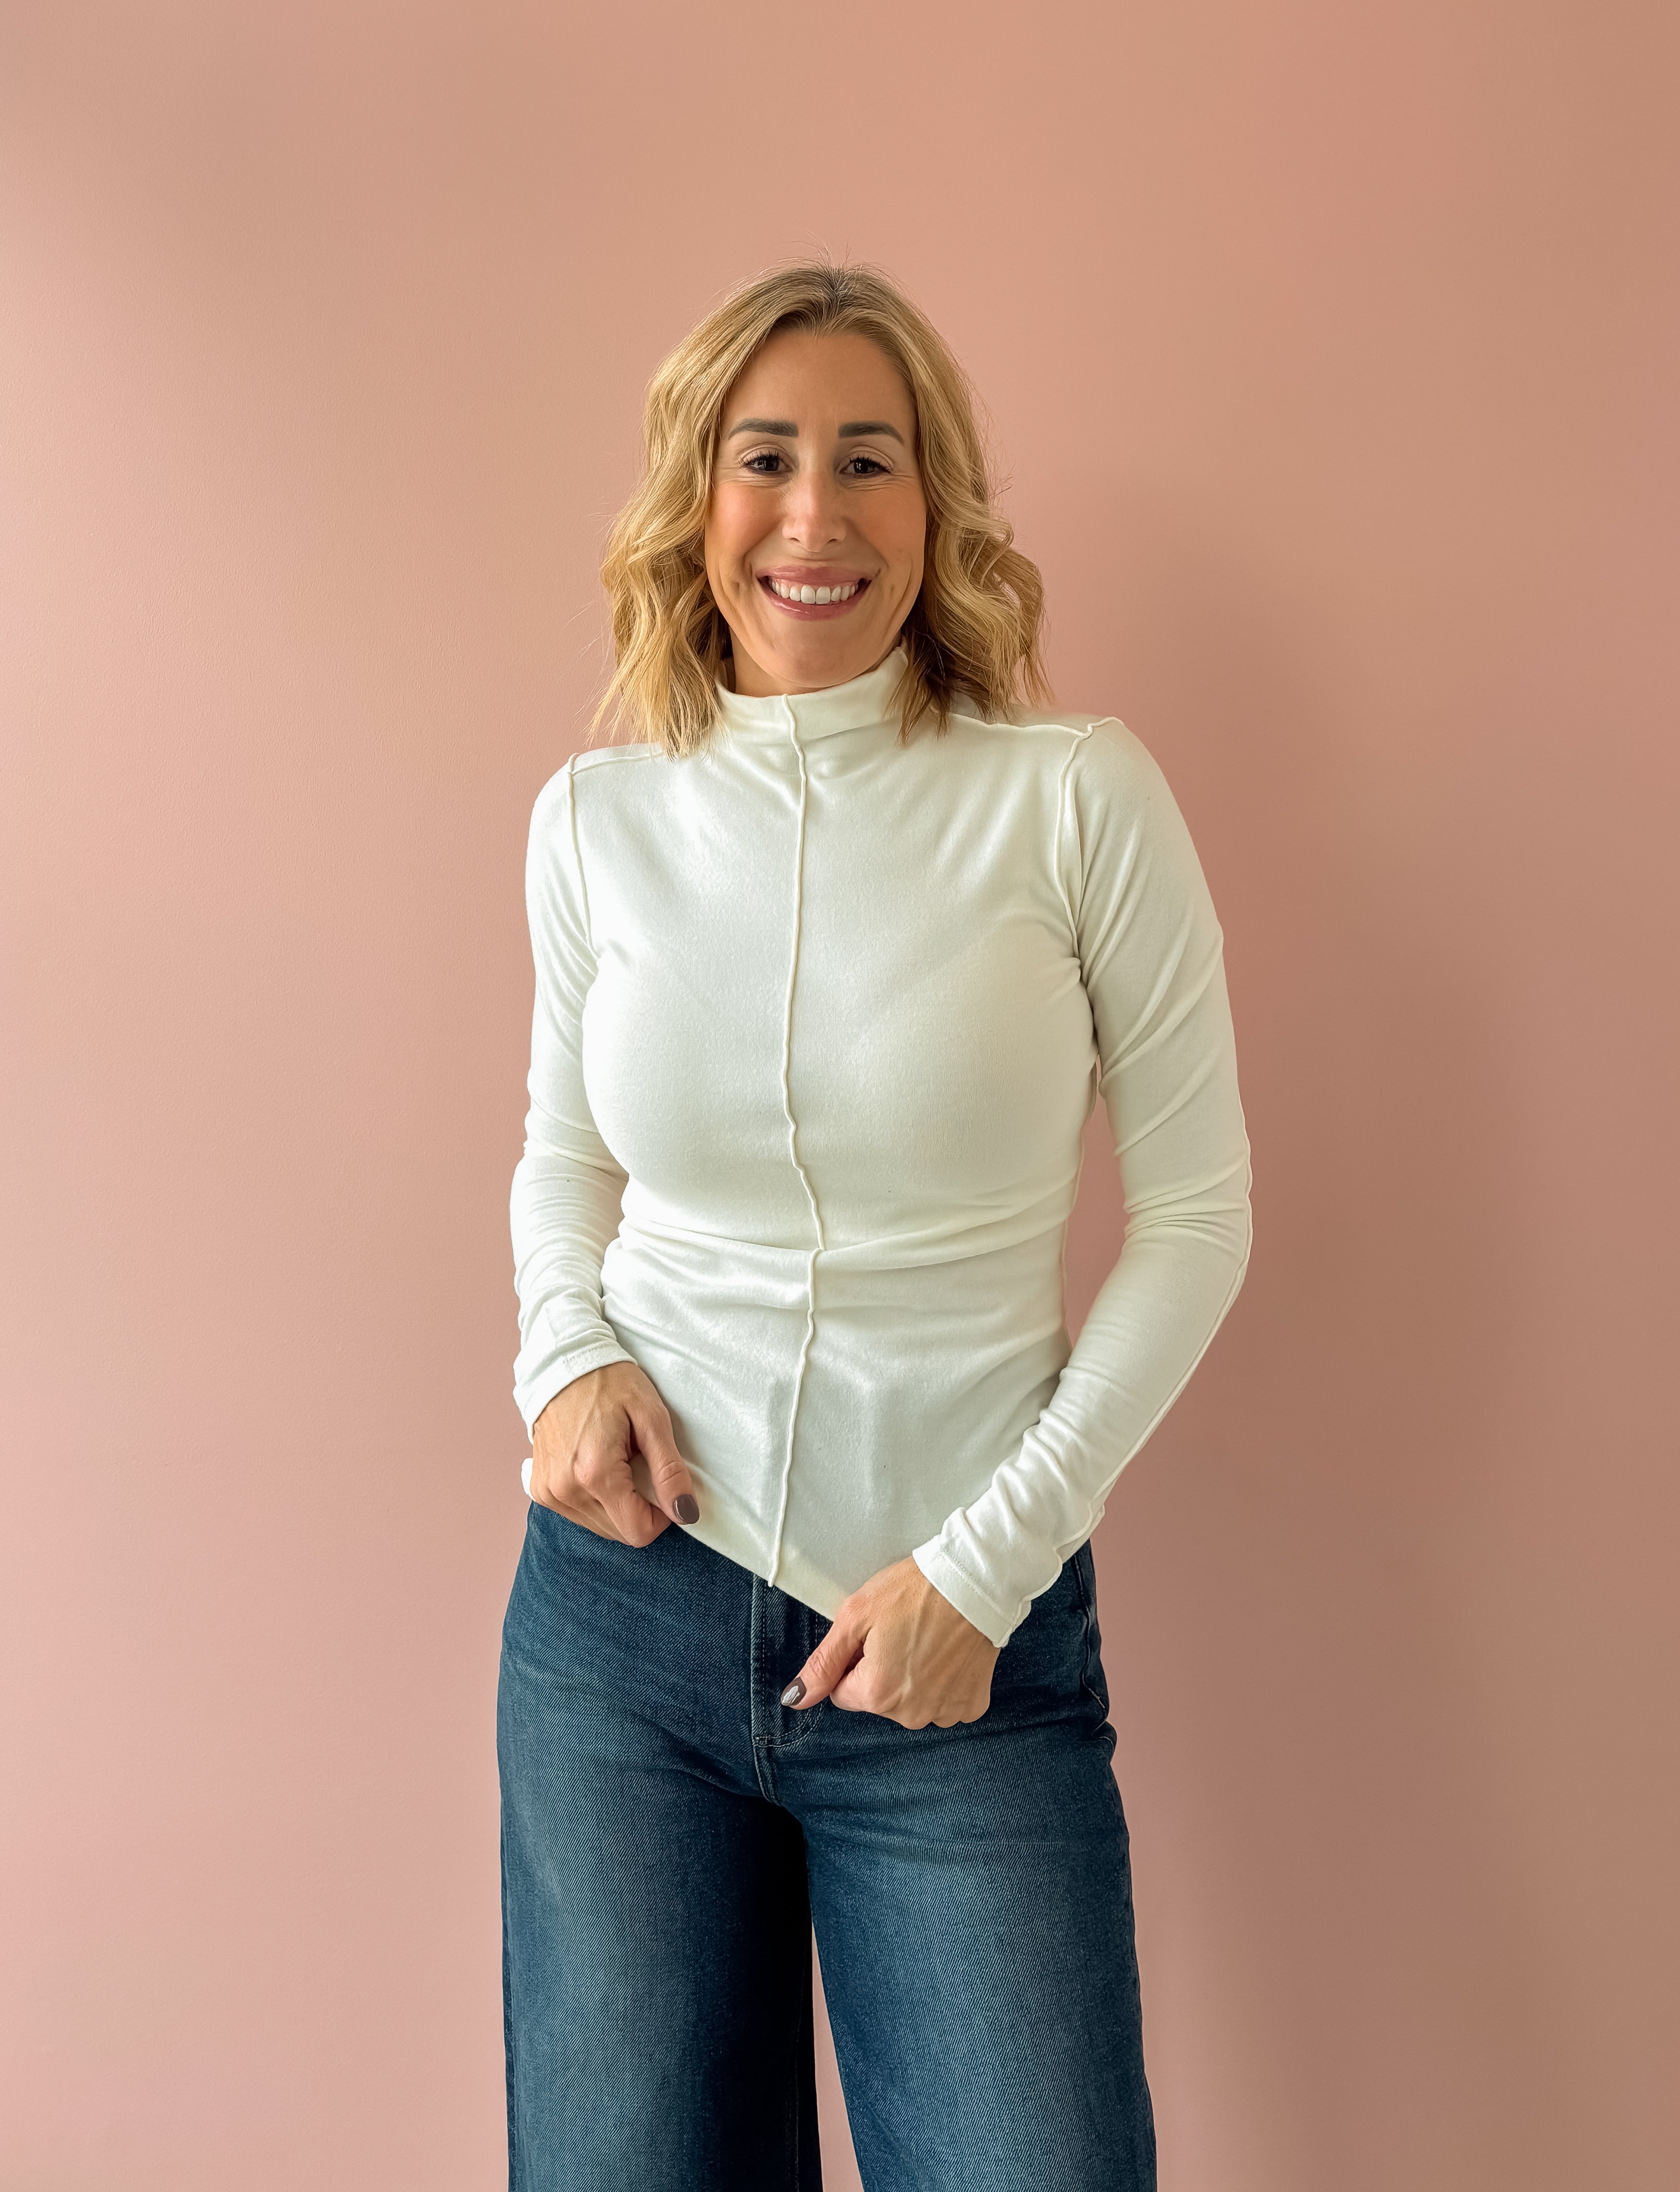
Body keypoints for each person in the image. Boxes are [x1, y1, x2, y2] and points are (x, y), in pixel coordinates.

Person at [497, 258, 1252, 2192]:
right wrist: (562, 1356)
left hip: (958, 1647)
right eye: (764, 457)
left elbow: (1196, 1216)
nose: (813, 515)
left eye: (867, 458)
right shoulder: (594, 819)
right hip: (621, 1631)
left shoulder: (1073, 800)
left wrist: (986, 1571)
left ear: (936, 502)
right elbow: (564, 1157)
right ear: (696, 500)